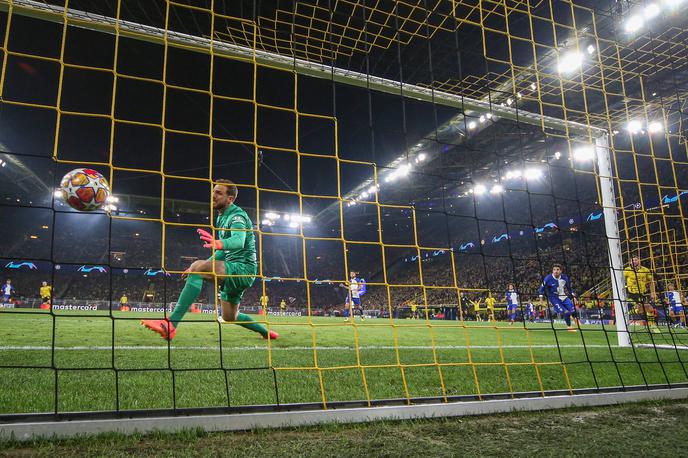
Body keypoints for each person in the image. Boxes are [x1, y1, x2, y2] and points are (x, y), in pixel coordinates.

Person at [142, 179, 278, 341]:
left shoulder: (237, 216)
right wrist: (201, 265)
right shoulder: (221, 217)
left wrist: (217, 245)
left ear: (230, 199)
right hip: (232, 269)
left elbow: (238, 241)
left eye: (218, 193)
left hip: (242, 269)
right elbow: (222, 253)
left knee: (197, 266)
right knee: (229, 316)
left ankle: (171, 324)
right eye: (213, 191)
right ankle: (266, 333)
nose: (213, 195)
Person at [623, 255, 659, 333]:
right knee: (647, 307)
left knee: (648, 309)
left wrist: (653, 292)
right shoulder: (627, 270)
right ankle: (653, 326)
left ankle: (630, 312)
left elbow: (651, 282)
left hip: (642, 293)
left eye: (636, 260)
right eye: (633, 260)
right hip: (632, 293)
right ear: (630, 262)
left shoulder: (645, 270)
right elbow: (620, 279)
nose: (634, 261)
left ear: (639, 260)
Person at [538, 264, 578, 332]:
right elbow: (541, 289)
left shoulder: (564, 277)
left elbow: (569, 288)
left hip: (563, 296)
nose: (555, 271)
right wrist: (541, 300)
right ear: (552, 270)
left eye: (557, 269)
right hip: (554, 298)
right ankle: (569, 327)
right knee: (566, 312)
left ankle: (576, 320)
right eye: (554, 269)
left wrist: (574, 297)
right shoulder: (548, 278)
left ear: (561, 271)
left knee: (573, 310)